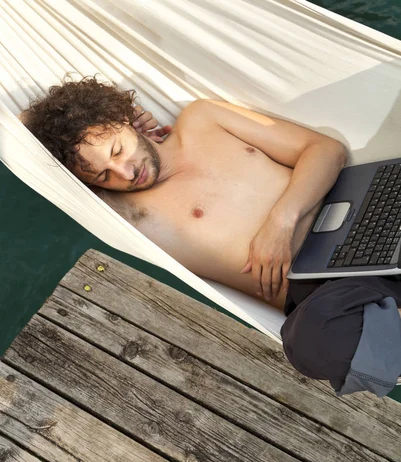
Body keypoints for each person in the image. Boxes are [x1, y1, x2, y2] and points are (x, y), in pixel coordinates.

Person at [22, 76, 401, 397]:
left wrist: (280, 223)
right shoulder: (124, 213)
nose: (124, 173)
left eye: (118, 150)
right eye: (103, 175)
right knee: (310, 346)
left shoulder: (203, 118)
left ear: (125, 119)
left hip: (372, 220)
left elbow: (324, 149)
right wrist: (70, 133)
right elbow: (21, 141)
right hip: (321, 297)